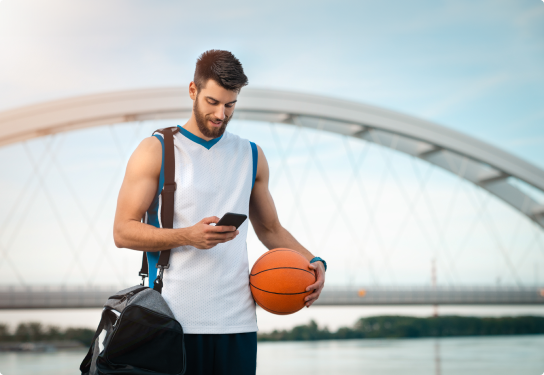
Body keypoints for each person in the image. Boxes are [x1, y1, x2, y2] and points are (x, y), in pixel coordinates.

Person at [113, 49, 326, 375]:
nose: (221, 114)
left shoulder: (251, 155)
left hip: (236, 322)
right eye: (212, 102)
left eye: (230, 105)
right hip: (171, 321)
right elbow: (123, 231)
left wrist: (314, 262)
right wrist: (189, 235)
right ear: (193, 91)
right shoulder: (157, 149)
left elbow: (270, 229)